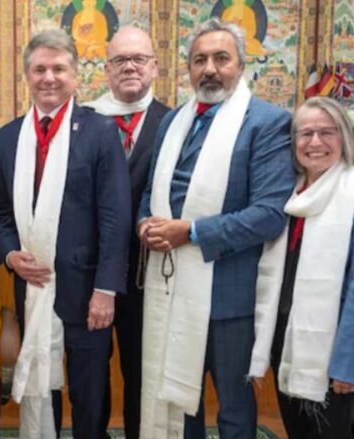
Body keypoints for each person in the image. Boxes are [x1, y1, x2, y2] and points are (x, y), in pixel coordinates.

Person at [137, 18, 295, 438]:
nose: (209, 69)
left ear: (241, 65)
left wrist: (189, 232)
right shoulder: (173, 123)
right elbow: (151, 192)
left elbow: (268, 214)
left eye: (221, 58)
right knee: (177, 401)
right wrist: (144, 226)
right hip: (171, 291)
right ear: (188, 69)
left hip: (230, 299)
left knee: (234, 411)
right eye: (199, 60)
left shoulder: (267, 123)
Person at [0, 29, 132, 438]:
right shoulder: (9, 137)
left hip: (87, 293)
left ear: (75, 75)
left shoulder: (101, 132)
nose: (48, 78)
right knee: (39, 385)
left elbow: (115, 217)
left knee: (89, 393)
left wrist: (106, 289)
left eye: (58, 68)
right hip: (32, 288)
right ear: (27, 76)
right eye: (39, 69)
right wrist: (11, 255)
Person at [247, 97, 354, 439]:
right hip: (287, 342)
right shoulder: (288, 197)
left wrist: (348, 365)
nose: (316, 143)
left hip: (336, 352)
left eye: (327, 132)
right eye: (305, 134)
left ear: (345, 138)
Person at [82, 26, 170, 439]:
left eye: (139, 59)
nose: (130, 67)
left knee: (142, 371)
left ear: (154, 65)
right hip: (90, 273)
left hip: (148, 275)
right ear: (106, 69)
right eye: (120, 60)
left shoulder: (173, 123)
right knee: (92, 376)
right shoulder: (83, 120)